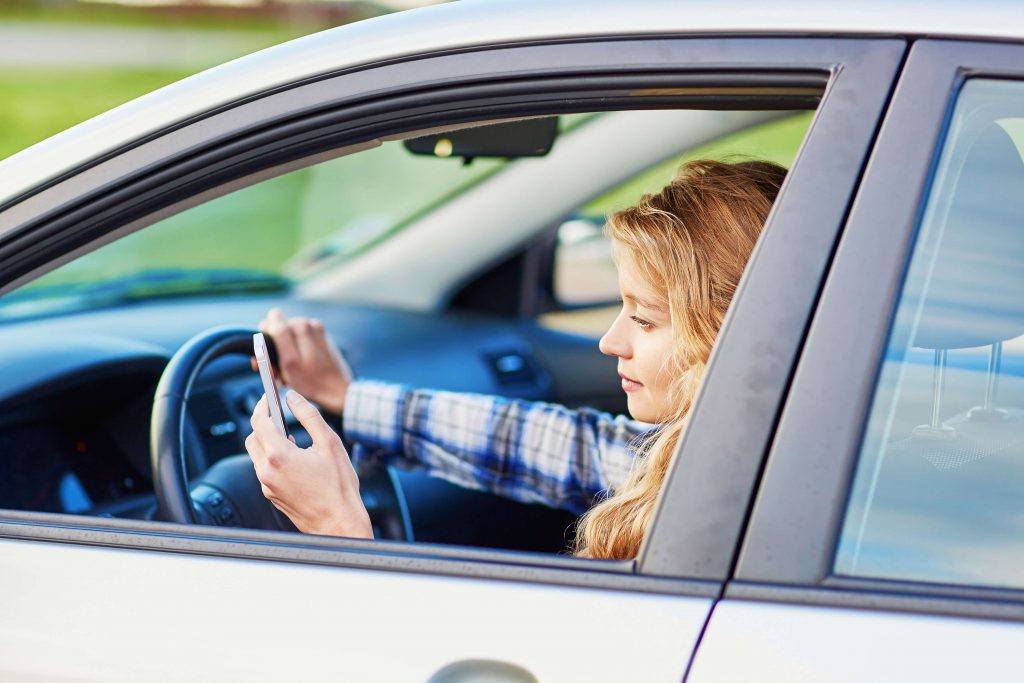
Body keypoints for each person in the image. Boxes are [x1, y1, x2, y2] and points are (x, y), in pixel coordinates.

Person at [245, 158, 787, 560]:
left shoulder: (718, 529)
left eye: (644, 319)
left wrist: (338, 529)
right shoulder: (721, 460)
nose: (610, 342)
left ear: (728, 334)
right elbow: (570, 447)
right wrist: (348, 398)